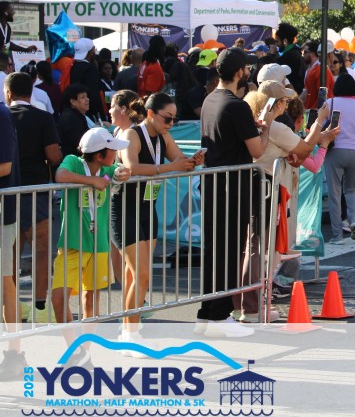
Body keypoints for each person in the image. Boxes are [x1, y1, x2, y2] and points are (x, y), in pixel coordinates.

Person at [237, 83, 337, 322]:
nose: (285, 105)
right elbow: (304, 151)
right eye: (283, 101)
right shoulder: (275, 127)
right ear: (276, 103)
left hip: (255, 185)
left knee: (252, 247)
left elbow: (299, 156)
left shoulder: (258, 122)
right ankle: (253, 306)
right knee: (259, 248)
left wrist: (304, 147)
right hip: (265, 189)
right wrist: (320, 121)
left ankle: (248, 304)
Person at [197, 47, 278, 337]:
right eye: (246, 68)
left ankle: (207, 314)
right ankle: (220, 316)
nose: (248, 73)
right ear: (239, 72)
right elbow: (257, 150)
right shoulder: (236, 105)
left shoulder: (209, 100)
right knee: (229, 251)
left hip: (214, 183)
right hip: (233, 186)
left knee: (214, 251)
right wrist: (266, 127)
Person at [116, 92, 201, 341]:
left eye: (174, 119)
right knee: (141, 274)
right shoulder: (132, 134)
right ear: (151, 114)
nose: (171, 124)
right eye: (167, 118)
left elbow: (178, 159)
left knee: (136, 276)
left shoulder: (162, 135)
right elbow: (131, 167)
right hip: (125, 209)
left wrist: (193, 161)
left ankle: (128, 327)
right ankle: (130, 333)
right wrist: (171, 167)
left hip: (147, 208)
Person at [51, 128, 132, 324]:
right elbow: (60, 175)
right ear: (99, 156)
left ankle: (87, 343)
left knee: (91, 299)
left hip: (99, 244)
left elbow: (121, 171)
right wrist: (91, 181)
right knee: (59, 299)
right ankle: (72, 342)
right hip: (72, 243)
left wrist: (123, 172)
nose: (116, 153)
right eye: (112, 150)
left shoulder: (107, 169)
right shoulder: (73, 161)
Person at [5, 72, 61, 324]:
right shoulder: (43, 117)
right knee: (41, 251)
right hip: (36, 191)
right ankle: (39, 306)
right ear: (31, 92)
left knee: (10, 253)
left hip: (7, 192)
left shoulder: (4, 116)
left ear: (8, 93)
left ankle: (12, 306)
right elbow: (53, 155)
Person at [322, 73, 355, 240]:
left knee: (334, 194)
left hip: (335, 151)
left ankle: (337, 234)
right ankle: (353, 221)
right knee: (351, 190)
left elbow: (318, 126)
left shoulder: (329, 103)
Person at [0, 98, 24, 377]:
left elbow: (5, 166)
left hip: (3, 213)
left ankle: (15, 354)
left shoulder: (2, 115)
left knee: (6, 281)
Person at [69, 38, 104, 122]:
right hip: (89, 113)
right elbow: (94, 94)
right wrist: (99, 115)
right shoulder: (91, 69)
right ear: (90, 52)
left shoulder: (72, 67)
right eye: (93, 49)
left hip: (74, 109)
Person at [57, 83, 94, 157]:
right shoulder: (70, 118)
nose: (87, 99)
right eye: (83, 97)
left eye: (87, 96)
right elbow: (81, 144)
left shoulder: (76, 115)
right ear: (73, 102)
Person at [301, 40, 334, 111]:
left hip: (311, 111)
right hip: (318, 112)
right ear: (329, 55)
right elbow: (323, 97)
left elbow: (306, 92)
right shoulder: (323, 71)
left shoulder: (313, 70)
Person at [275, 22, 303, 93]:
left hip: (292, 93)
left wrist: (272, 55)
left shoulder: (290, 55)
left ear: (285, 41)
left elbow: (275, 70)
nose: (276, 44)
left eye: (277, 41)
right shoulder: (294, 53)